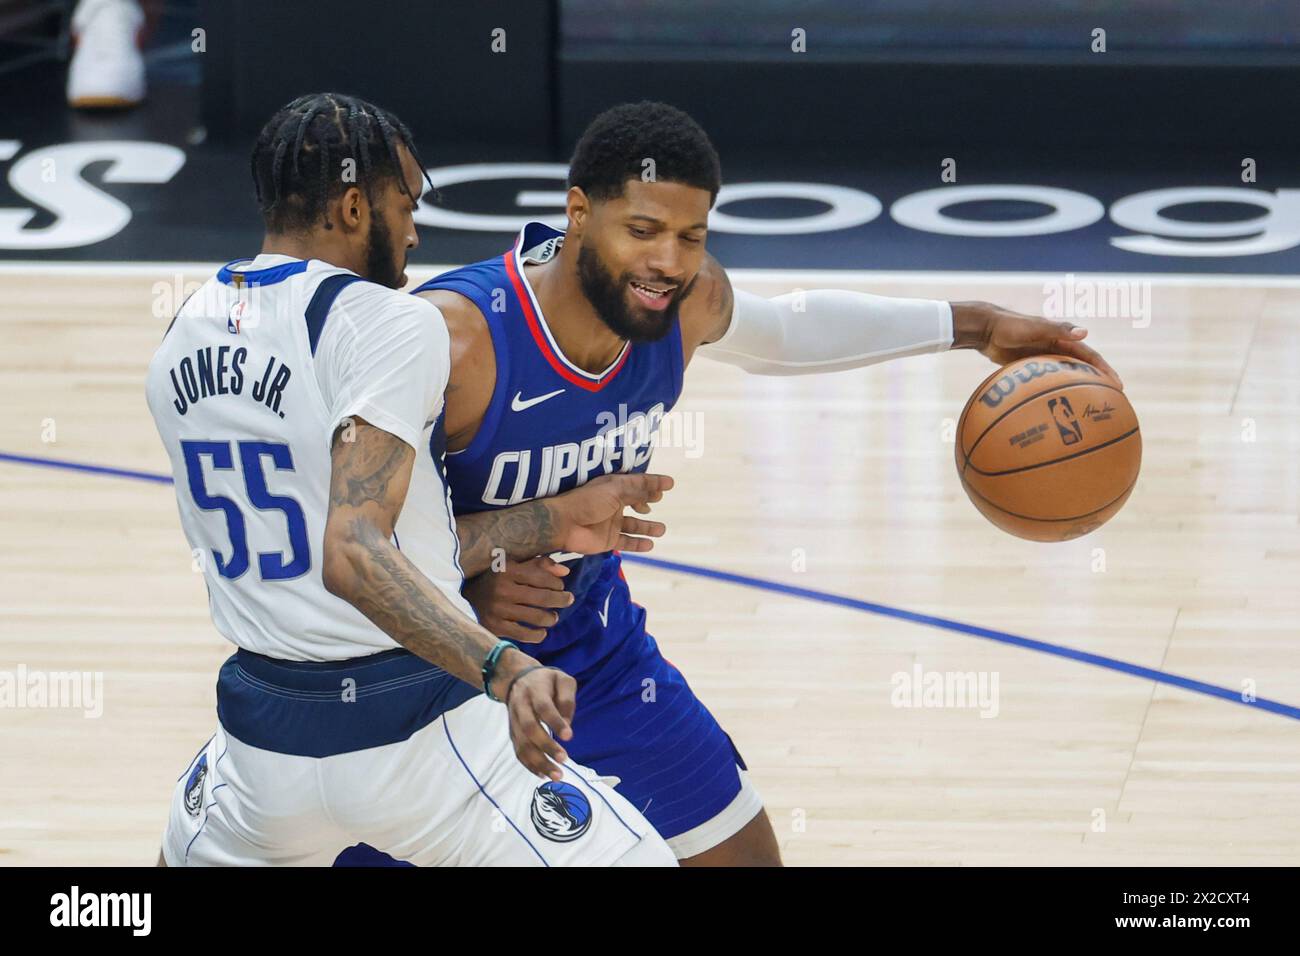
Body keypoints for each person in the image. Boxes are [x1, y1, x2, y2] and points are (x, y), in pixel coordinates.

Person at [339, 100, 1120, 867]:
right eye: (642, 230)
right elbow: (347, 543)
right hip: (437, 677)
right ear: (579, 213)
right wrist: (469, 584)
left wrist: (977, 325)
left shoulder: (686, 302)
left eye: (690, 236)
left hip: (601, 665)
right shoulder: (458, 336)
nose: (670, 262)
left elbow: (785, 331)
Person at [145, 92, 676, 866]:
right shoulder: (388, 320)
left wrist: (550, 520)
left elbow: (342, 530)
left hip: (261, 753)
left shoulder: (181, 329)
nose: (417, 230)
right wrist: (506, 665)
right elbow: (354, 550)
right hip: (418, 730)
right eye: (408, 203)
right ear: (356, 206)